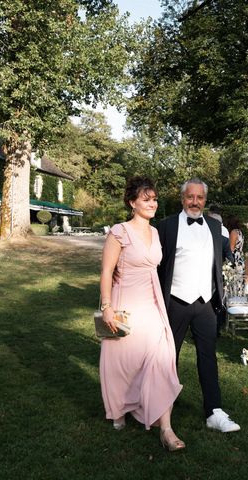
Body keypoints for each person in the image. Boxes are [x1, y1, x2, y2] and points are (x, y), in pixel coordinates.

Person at [99, 176, 184, 451]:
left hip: (153, 303)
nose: (152, 204)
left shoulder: (156, 232)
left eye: (154, 199)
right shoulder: (119, 232)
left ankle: (167, 429)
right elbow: (106, 272)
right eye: (146, 199)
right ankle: (120, 408)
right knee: (123, 362)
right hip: (126, 303)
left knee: (163, 358)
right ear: (132, 202)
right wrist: (106, 307)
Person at [157, 178, 240, 433]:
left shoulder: (216, 227)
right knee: (168, 357)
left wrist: (227, 278)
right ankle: (160, 406)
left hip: (206, 303)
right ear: (182, 199)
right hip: (175, 301)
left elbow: (227, 258)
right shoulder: (166, 226)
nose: (195, 202)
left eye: (200, 198)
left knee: (208, 357)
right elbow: (155, 264)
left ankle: (214, 411)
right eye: (190, 197)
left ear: (205, 199)